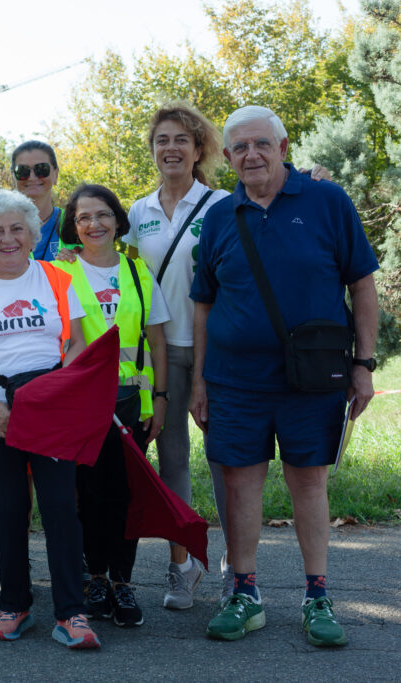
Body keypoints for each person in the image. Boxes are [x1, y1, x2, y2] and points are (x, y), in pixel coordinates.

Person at [190, 105, 379, 646]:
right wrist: (200, 380)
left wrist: (364, 365)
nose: (251, 155)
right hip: (234, 381)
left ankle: (317, 596)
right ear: (227, 157)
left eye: (261, 144)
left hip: (313, 379)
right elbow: (204, 303)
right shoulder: (220, 216)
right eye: (239, 147)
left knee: (309, 482)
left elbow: (362, 285)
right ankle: (244, 594)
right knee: (239, 483)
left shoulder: (327, 201)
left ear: (283, 147)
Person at [0, 189, 99, 650]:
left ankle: (71, 612)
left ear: (32, 235)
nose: (7, 238)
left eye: (17, 229)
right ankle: (14, 604)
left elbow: (78, 344)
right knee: (8, 511)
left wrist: (53, 395)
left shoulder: (57, 279)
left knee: (61, 510)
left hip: (52, 414)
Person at [123, 102, 231, 608]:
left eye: (181, 139)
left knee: (225, 461)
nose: (171, 148)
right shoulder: (137, 213)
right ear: (152, 149)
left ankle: (236, 566)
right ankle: (182, 565)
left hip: (215, 351)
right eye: (162, 140)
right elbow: (121, 276)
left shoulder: (221, 205)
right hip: (158, 356)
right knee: (172, 462)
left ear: (198, 148)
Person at [53, 184, 169, 628]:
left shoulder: (138, 272)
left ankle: (123, 581)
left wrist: (160, 399)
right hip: (81, 405)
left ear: (118, 221)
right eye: (83, 217)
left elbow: (156, 340)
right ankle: (95, 578)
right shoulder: (59, 273)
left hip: (131, 403)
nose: (94, 224)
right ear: (73, 226)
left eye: (102, 214)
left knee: (124, 496)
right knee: (88, 495)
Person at [11, 140, 65, 260]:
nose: (32, 177)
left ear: (56, 174)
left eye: (41, 169)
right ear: (13, 176)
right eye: (23, 171)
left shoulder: (74, 224)